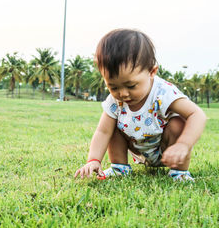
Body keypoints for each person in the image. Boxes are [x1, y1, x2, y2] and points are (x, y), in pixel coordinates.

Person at [74, 29, 207, 181]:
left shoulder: (163, 93)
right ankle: (119, 167)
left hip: (167, 148)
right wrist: (94, 160)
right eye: (113, 87)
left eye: (131, 86)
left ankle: (179, 172)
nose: (122, 94)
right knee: (112, 127)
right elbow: (103, 132)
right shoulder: (115, 101)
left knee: (178, 123)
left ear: (152, 71)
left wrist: (183, 144)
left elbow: (197, 115)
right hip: (137, 147)